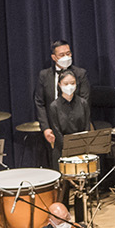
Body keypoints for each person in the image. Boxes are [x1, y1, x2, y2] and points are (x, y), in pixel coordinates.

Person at [33, 38, 91, 168]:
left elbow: (85, 100)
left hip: (76, 125)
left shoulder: (81, 74)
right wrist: (46, 128)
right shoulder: (44, 75)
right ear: (54, 57)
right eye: (61, 55)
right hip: (53, 126)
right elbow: (39, 102)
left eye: (68, 53)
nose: (66, 57)